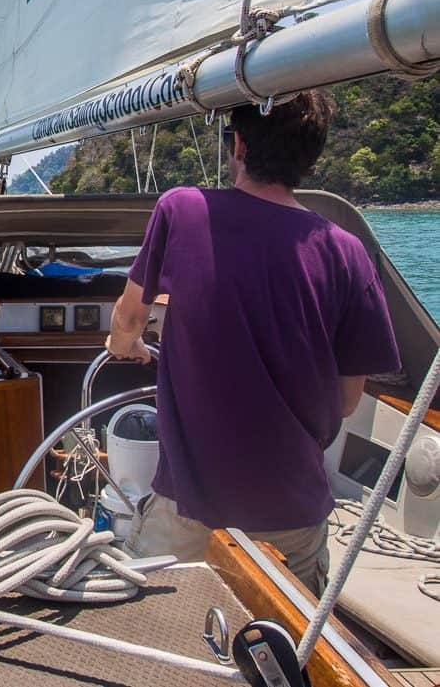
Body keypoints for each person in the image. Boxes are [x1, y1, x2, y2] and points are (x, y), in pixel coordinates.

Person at [105, 90, 401, 594]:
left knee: (159, 642)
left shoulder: (182, 209)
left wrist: (126, 345)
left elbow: (128, 319)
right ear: (310, 156)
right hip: (295, 513)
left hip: (191, 512)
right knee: (281, 653)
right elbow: (348, 400)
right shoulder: (347, 253)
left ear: (238, 144)